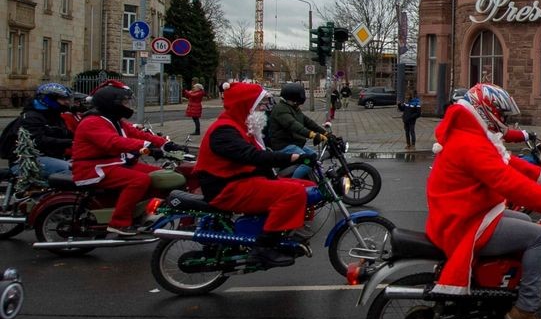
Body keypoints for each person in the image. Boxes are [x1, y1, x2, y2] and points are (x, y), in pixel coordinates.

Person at [426, 84, 541, 319]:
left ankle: (498, 284)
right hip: (465, 220)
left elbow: (508, 161)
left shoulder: (471, 133)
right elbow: (506, 180)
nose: (503, 121)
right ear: (486, 110)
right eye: (501, 115)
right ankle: (525, 309)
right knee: (540, 236)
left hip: (467, 209)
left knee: (523, 218)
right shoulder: (470, 142)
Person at [194, 82, 315, 267]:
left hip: (239, 180)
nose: (263, 109)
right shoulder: (224, 130)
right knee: (293, 193)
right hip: (226, 187)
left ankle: (288, 229)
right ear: (246, 105)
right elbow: (253, 156)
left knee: (305, 187)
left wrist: (275, 178)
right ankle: (264, 248)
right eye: (260, 105)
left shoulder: (241, 125)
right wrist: (291, 157)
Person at [71, 85, 174, 237]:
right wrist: (146, 147)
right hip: (93, 167)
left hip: (112, 163)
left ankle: (142, 213)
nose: (127, 106)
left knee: (159, 175)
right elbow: (112, 142)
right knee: (139, 180)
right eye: (124, 102)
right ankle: (119, 222)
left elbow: (136, 133)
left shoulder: (113, 119)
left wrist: (165, 144)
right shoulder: (92, 122)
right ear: (111, 103)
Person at [2, 82, 75, 178]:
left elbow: (66, 134)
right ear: (49, 99)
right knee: (72, 170)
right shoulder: (31, 117)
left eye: (67, 99)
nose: (67, 102)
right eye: (62, 99)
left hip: (50, 158)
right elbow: (37, 140)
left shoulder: (55, 117)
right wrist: (71, 142)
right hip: (27, 162)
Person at [266, 83, 328, 178]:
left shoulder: (293, 107)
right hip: (283, 145)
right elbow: (293, 125)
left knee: (313, 155)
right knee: (308, 161)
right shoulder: (280, 109)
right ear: (290, 99)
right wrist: (312, 135)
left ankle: (312, 180)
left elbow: (308, 122)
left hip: (294, 143)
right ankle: (294, 183)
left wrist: (325, 133)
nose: (298, 104)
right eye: (296, 102)